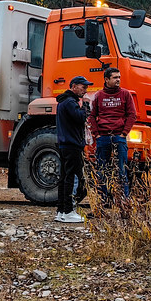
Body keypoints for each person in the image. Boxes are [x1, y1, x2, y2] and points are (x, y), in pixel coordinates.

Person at [89, 67, 137, 206]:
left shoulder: (125, 94)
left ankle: (123, 202)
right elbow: (92, 116)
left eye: (119, 77)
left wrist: (124, 133)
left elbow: (132, 115)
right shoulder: (99, 96)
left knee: (121, 170)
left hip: (119, 137)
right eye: (115, 77)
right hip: (103, 138)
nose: (118, 80)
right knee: (101, 171)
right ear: (106, 79)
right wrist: (96, 134)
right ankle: (103, 202)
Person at [55, 76, 91, 223]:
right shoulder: (70, 102)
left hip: (64, 144)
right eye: (83, 87)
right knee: (73, 177)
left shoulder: (63, 102)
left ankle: (61, 211)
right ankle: (69, 211)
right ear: (74, 86)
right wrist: (86, 106)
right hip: (72, 145)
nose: (85, 90)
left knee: (64, 178)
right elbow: (80, 117)